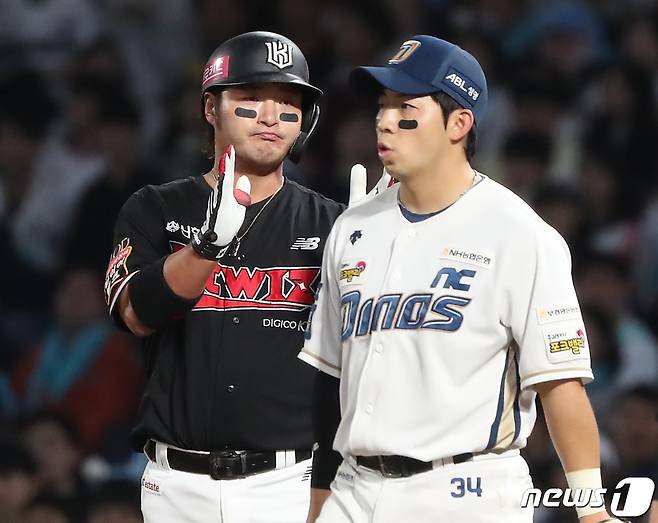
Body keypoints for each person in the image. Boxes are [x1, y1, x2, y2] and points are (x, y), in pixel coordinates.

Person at [301, 35, 623, 523]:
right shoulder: (353, 226)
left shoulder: (519, 233)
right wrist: (319, 500)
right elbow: (329, 379)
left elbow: (562, 384)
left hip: (463, 490)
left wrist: (593, 511)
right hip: (353, 488)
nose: (386, 121)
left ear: (459, 123)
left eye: (406, 107)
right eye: (382, 106)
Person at [104, 31, 345, 523]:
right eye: (251, 99)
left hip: (289, 482)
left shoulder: (333, 223)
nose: (271, 117)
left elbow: (357, 361)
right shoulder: (155, 207)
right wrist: (207, 247)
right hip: (175, 483)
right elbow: (135, 315)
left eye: (288, 104)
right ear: (211, 108)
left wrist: (382, 243)